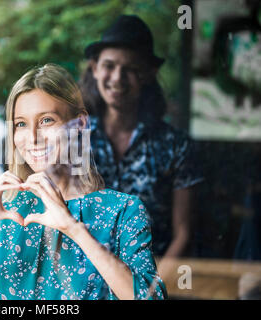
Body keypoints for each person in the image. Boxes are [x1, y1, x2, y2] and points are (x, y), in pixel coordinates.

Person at [0, 63, 166, 300]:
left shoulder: (123, 211)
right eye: (21, 124)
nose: (32, 137)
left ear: (79, 124)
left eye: (46, 121)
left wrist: (73, 228)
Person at [79, 15, 204, 269]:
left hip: (152, 281)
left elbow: (183, 235)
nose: (117, 78)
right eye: (109, 66)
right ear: (94, 68)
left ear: (149, 73)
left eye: (131, 69)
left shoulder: (176, 146)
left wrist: (151, 293)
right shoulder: (73, 140)